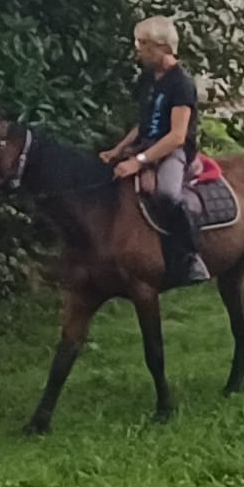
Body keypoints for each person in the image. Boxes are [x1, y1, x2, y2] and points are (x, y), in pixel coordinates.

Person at [100, 15, 209, 286]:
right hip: (145, 147)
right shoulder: (148, 79)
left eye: (143, 44)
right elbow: (145, 123)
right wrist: (118, 149)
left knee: (167, 193)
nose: (138, 49)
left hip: (174, 150)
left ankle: (190, 257)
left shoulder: (181, 83)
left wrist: (138, 162)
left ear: (161, 47)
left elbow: (176, 136)